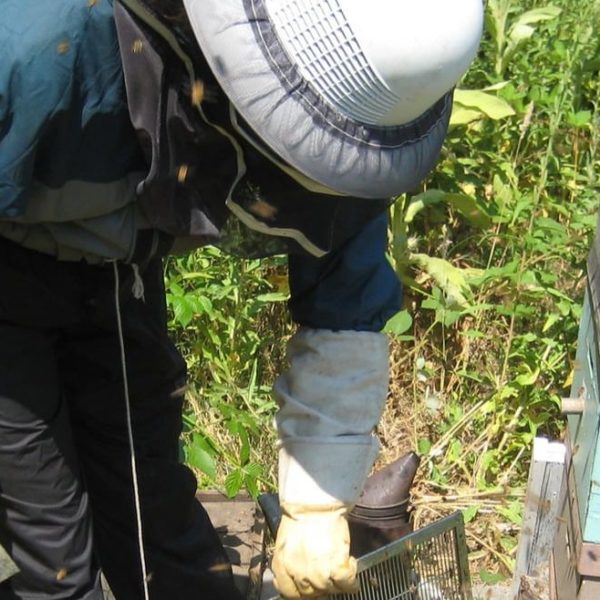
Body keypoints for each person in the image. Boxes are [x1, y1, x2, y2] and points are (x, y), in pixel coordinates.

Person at [0, 0, 483, 598]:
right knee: (54, 555)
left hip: (121, 271)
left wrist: (316, 500)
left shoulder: (367, 92)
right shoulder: (33, 48)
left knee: (154, 513)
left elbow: (346, 287)